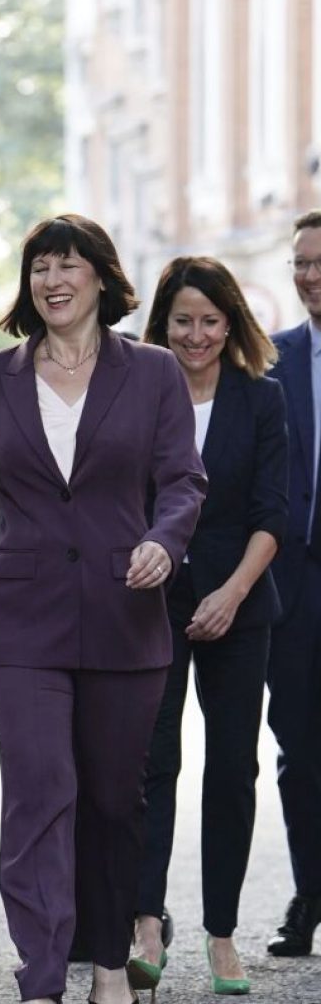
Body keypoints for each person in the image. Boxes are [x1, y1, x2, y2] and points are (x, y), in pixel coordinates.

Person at [0, 214, 207, 1004]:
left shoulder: (152, 373)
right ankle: (43, 975)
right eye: (40, 268)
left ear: (99, 278)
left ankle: (110, 962)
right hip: (20, 622)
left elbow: (184, 479)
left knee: (115, 801)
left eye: (68, 266)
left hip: (126, 614)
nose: (52, 281)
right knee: (39, 790)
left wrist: (166, 541)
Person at [131, 257, 287, 996]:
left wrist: (230, 593)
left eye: (210, 322)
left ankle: (221, 935)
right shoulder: (135, 394)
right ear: (162, 324)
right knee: (150, 765)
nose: (195, 336)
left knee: (233, 768)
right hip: (151, 602)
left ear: (231, 325)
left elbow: (272, 515)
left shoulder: (263, 399)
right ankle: (146, 924)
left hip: (239, 602)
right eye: (182, 321)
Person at [264, 209, 321, 957]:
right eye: (302, 262)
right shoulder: (269, 362)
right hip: (293, 588)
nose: (311, 276)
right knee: (299, 748)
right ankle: (310, 894)